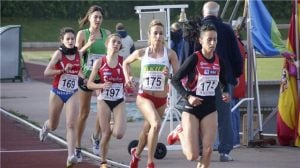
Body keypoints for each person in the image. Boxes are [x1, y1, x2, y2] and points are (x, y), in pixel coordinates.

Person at [167, 23, 230, 168]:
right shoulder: (194, 59)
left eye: (215, 39)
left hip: (210, 108)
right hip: (191, 108)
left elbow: (223, 81)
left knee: (208, 150)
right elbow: (175, 80)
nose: (213, 43)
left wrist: (225, 92)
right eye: (209, 39)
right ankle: (179, 133)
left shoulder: (219, 61)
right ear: (201, 40)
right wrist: (188, 96)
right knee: (192, 155)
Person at [123, 19, 179, 168]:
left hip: (160, 99)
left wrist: (170, 76)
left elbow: (178, 77)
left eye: (161, 33)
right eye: (155, 33)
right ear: (149, 35)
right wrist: (128, 78)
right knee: (156, 124)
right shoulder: (142, 52)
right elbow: (125, 63)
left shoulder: (170, 54)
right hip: (144, 97)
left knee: (147, 129)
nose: (159, 36)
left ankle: (136, 154)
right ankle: (150, 162)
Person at [39, 27, 92, 167]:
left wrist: (84, 78)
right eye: (67, 39)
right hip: (57, 92)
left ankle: (70, 156)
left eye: (72, 39)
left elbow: (79, 71)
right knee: (54, 125)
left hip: (72, 92)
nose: (70, 41)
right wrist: (62, 70)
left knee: (71, 124)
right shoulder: (58, 54)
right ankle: (46, 126)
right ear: (62, 40)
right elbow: (46, 72)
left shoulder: (78, 54)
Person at [201, 1, 243, 162]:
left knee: (199, 114)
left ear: (204, 12)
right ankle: (224, 151)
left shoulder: (197, 28)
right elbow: (236, 54)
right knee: (224, 116)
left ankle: (200, 149)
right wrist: (236, 74)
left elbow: (189, 54)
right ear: (218, 13)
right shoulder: (226, 29)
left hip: (202, 78)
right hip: (224, 79)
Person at [75, 5, 111, 160]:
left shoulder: (107, 34)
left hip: (101, 77)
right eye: (95, 17)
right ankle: (77, 147)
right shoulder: (82, 34)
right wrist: (88, 44)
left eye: (100, 17)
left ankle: (95, 137)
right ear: (89, 18)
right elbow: (75, 55)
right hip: (85, 76)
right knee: (84, 113)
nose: (98, 20)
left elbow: (111, 55)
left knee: (103, 110)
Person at [87, 33, 127, 168]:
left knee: (119, 134)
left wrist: (130, 83)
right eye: (113, 42)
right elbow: (89, 84)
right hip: (104, 100)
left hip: (119, 100)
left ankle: (112, 123)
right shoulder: (100, 62)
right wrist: (101, 85)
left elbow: (129, 79)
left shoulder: (123, 62)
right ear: (107, 44)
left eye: (118, 42)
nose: (116, 44)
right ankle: (103, 162)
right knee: (106, 134)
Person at [115, 22, 135, 96]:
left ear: (116, 29)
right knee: (129, 74)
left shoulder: (115, 38)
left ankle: (120, 90)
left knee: (118, 75)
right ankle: (130, 90)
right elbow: (133, 50)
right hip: (127, 59)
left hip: (118, 59)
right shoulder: (129, 38)